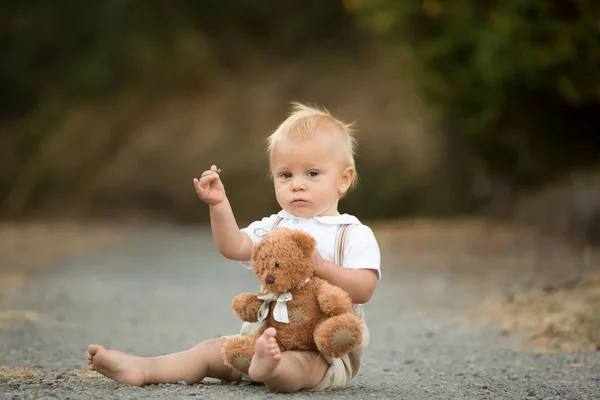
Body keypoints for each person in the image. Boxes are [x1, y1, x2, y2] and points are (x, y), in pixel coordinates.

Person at [87, 102, 381, 392]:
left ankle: (272, 369)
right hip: (266, 336)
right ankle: (144, 368)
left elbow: (364, 288)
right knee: (211, 350)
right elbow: (234, 246)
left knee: (300, 366)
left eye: (312, 174)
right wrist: (219, 205)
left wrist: (321, 267)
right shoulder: (275, 226)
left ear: (344, 179)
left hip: (322, 349)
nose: (297, 185)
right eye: (285, 175)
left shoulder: (351, 233)